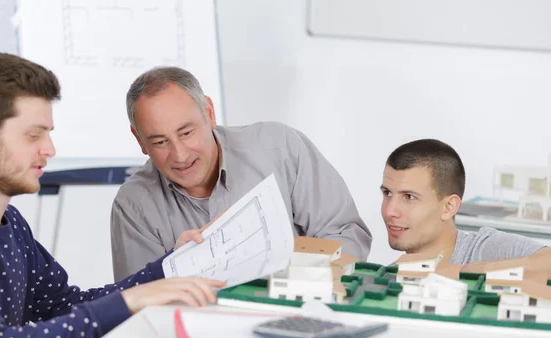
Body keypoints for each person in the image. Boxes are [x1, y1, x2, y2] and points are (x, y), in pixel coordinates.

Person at [0, 52, 225, 338]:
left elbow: (63, 307)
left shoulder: (12, 226)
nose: (49, 149)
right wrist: (129, 301)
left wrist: (167, 270)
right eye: (33, 135)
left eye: (48, 134)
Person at [111, 66, 372, 280]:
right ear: (140, 141)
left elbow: (345, 233)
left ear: (209, 113)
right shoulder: (133, 206)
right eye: (159, 142)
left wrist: (304, 284)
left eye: (186, 133)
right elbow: (137, 303)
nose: (180, 155)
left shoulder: (280, 148)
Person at [380, 138, 551, 276]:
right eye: (387, 193)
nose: (390, 211)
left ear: (449, 207)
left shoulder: (483, 248)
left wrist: (460, 272)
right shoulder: (387, 277)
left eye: (409, 197)